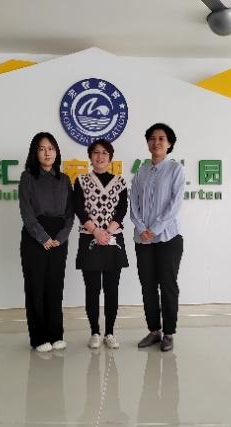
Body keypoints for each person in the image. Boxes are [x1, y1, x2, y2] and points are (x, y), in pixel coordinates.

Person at [130, 123, 185, 352]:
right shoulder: (141, 171)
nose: (156, 142)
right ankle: (154, 330)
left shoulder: (175, 169)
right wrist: (142, 227)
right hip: (143, 239)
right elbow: (133, 202)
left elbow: (175, 204)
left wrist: (155, 228)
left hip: (168, 238)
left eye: (162, 138)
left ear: (169, 143)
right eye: (152, 138)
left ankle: (169, 333)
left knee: (168, 286)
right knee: (147, 286)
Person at [19, 132, 74, 352]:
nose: (47, 153)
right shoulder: (27, 177)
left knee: (55, 286)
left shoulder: (64, 179)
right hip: (35, 237)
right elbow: (26, 211)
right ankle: (39, 337)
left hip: (59, 237)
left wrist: (60, 238)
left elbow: (70, 213)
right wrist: (43, 237)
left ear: (57, 152)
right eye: (42, 149)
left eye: (51, 148)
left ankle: (56, 334)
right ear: (35, 153)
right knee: (36, 287)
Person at [74, 139, 128, 349]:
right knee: (92, 289)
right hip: (90, 239)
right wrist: (96, 231)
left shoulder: (120, 182)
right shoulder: (81, 180)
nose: (100, 156)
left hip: (113, 240)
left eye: (104, 153)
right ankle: (95, 332)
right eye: (96, 152)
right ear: (90, 156)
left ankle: (110, 333)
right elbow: (79, 208)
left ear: (110, 157)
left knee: (112, 289)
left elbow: (122, 210)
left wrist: (107, 232)